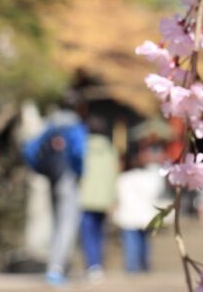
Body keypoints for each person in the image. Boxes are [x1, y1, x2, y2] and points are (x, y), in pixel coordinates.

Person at [36, 94, 88, 287]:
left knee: (57, 221)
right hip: (67, 178)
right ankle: (56, 269)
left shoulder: (50, 123)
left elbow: (31, 148)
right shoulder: (75, 125)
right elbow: (79, 152)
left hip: (51, 176)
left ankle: (54, 266)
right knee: (68, 222)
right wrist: (80, 172)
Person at [78, 116, 119, 281]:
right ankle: (98, 265)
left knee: (87, 233)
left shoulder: (82, 148)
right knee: (100, 233)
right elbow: (113, 176)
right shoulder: (110, 150)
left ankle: (92, 265)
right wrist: (113, 199)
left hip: (85, 198)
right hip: (104, 199)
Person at [114, 145, 166, 273]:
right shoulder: (149, 177)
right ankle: (144, 266)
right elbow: (157, 192)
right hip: (145, 216)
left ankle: (132, 267)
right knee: (144, 243)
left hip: (129, 216)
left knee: (131, 243)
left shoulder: (122, 178)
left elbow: (117, 196)